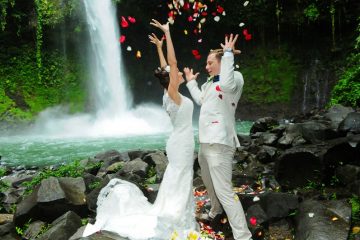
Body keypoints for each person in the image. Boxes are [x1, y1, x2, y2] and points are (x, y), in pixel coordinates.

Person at [82, 20, 196, 239]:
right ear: (171, 79)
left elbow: (167, 67)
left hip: (179, 141)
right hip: (181, 142)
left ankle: (177, 211)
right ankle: (175, 216)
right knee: (180, 175)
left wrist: (159, 47)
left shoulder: (170, 95)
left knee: (177, 176)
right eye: (176, 73)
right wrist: (168, 33)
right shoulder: (174, 95)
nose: (179, 72)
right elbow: (172, 64)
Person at [184, 34, 252, 240]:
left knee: (224, 190)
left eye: (210, 62)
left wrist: (229, 54)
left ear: (222, 62)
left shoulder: (234, 78)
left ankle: (243, 236)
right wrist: (190, 83)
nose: (206, 66)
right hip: (206, 142)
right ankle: (215, 211)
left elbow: (228, 85)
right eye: (206, 63)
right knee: (208, 181)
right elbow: (200, 100)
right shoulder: (210, 83)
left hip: (221, 141)